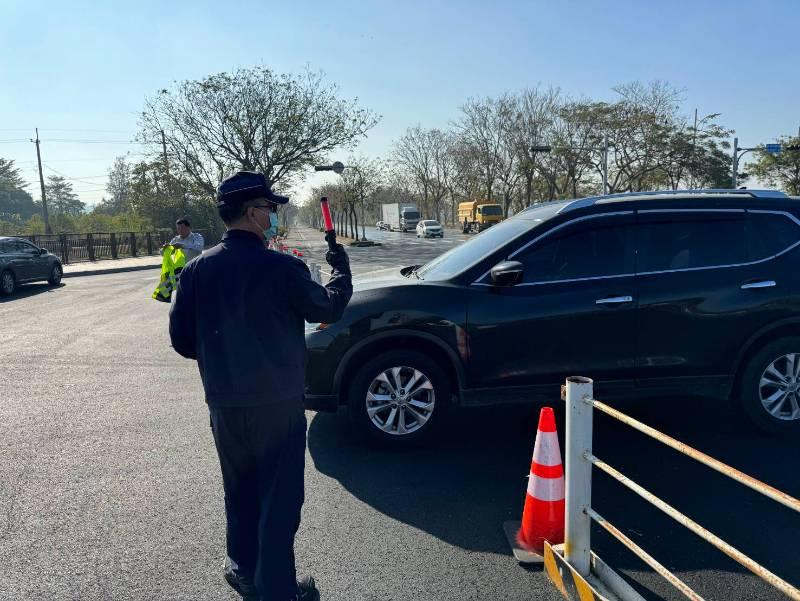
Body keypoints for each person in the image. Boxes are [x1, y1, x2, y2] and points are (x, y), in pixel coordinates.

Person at [168, 171, 352, 601]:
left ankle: (245, 570)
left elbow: (181, 340)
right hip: (278, 405)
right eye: (270, 209)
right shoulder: (283, 268)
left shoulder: (196, 270)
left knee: (240, 490)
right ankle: (276, 590)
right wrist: (340, 271)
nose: (273, 216)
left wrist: (224, 360)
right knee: (280, 496)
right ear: (252, 213)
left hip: (226, 405)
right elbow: (326, 306)